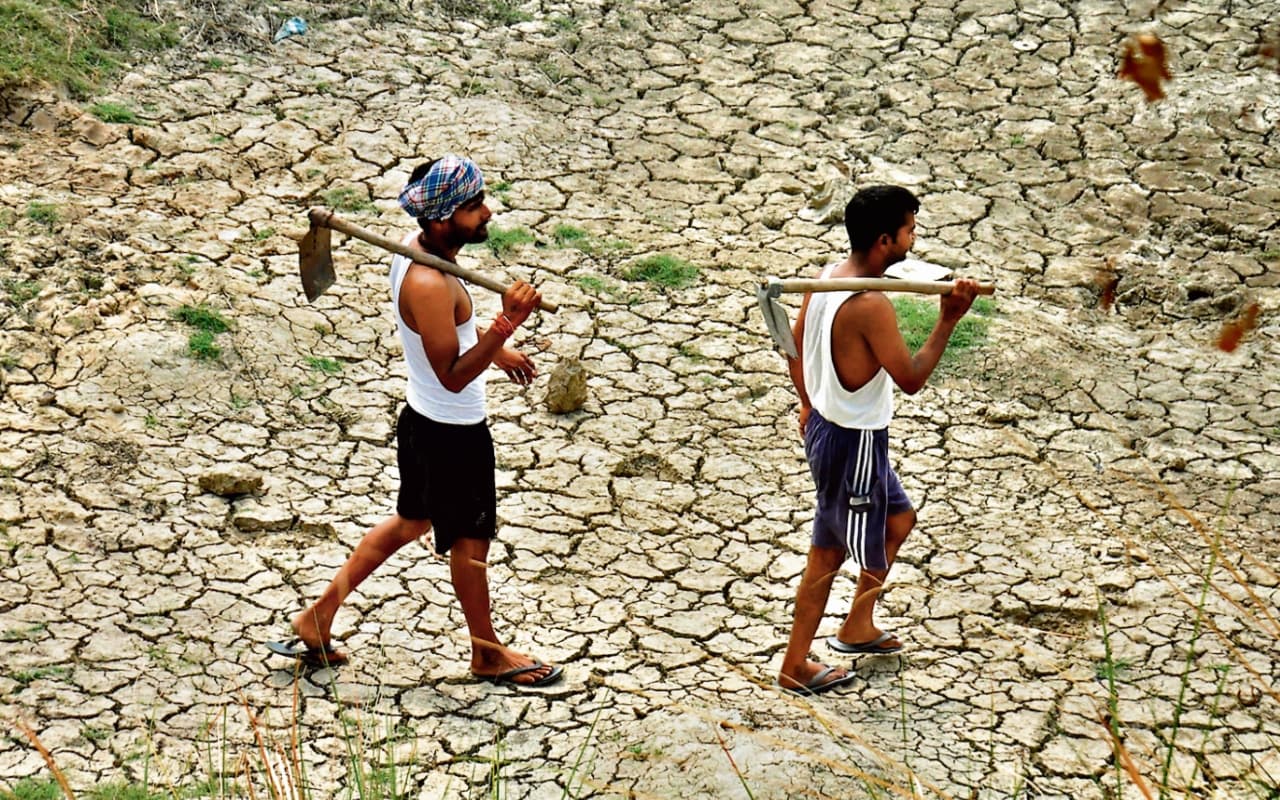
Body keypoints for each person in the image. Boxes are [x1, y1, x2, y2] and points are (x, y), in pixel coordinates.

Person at [271, 154, 563, 688]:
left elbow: (450, 332)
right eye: (474, 208)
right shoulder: (429, 282)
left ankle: (316, 619)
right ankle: (488, 654)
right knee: (471, 546)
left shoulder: (421, 252)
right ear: (442, 217)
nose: (486, 214)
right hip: (452, 432)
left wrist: (497, 350)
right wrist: (506, 324)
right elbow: (451, 373)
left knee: (411, 522)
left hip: (422, 421)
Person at [777, 185, 978, 695]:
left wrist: (808, 401)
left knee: (898, 519)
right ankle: (794, 664)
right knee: (827, 554)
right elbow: (910, 378)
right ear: (885, 239)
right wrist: (948, 321)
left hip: (836, 429)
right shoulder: (870, 305)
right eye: (910, 229)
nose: (914, 238)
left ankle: (857, 626)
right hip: (852, 442)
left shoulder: (823, 279)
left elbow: (794, 347)